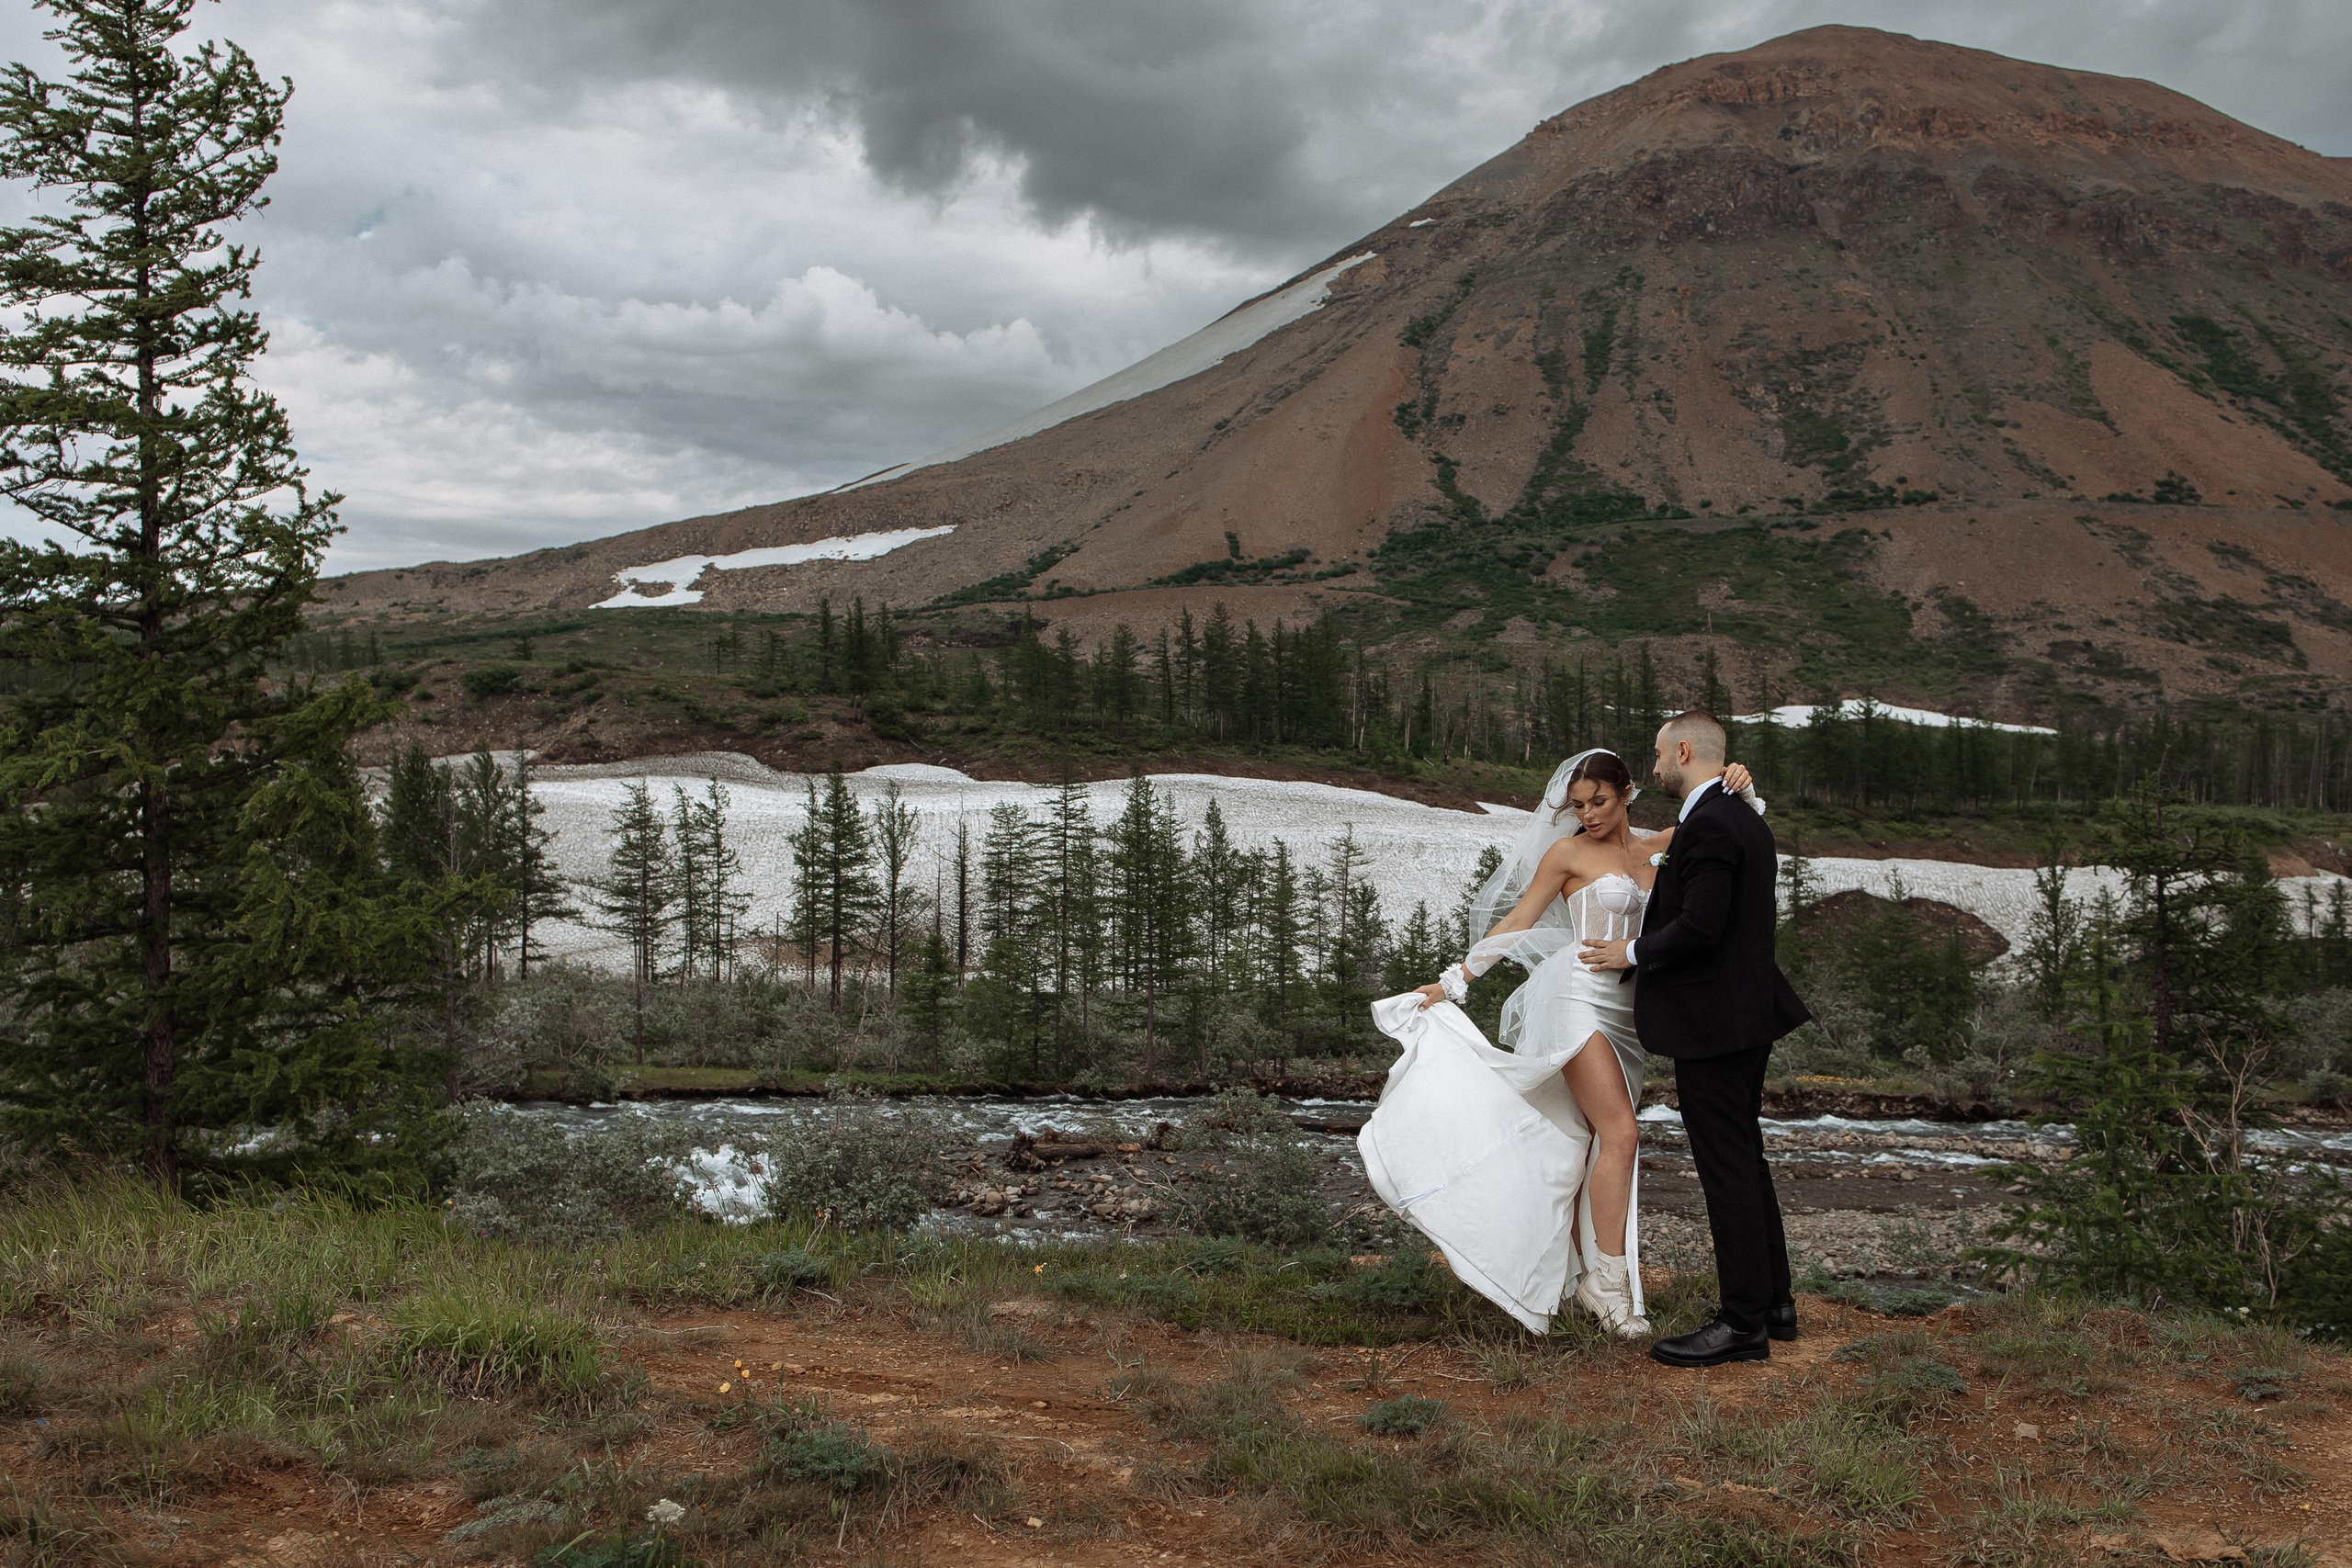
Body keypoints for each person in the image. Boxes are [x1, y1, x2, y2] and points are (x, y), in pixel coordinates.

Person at [1355, 746, 1758, 1337]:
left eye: (1599, 802)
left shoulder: (1661, 845)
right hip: (1578, 1000)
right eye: (1578, 805)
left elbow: (1731, 829)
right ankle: (1610, 1288)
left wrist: (1740, 786)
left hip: (1630, 1015)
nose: (1589, 814)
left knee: (1587, 1145)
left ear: (1627, 795)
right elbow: (1517, 921)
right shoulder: (1567, 853)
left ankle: (1570, 1282)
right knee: (1622, 1133)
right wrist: (1453, 982)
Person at [1577, 711, 1812, 1367]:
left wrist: (1628, 950)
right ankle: (1773, 1304)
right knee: (1746, 1155)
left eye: (1658, 755)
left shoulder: (1712, 821)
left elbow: (1702, 926)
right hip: (1744, 1015)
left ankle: (1741, 1324)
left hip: (1717, 1023)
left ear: (1684, 749)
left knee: (1726, 1165)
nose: (1654, 768)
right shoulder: (1743, 816)